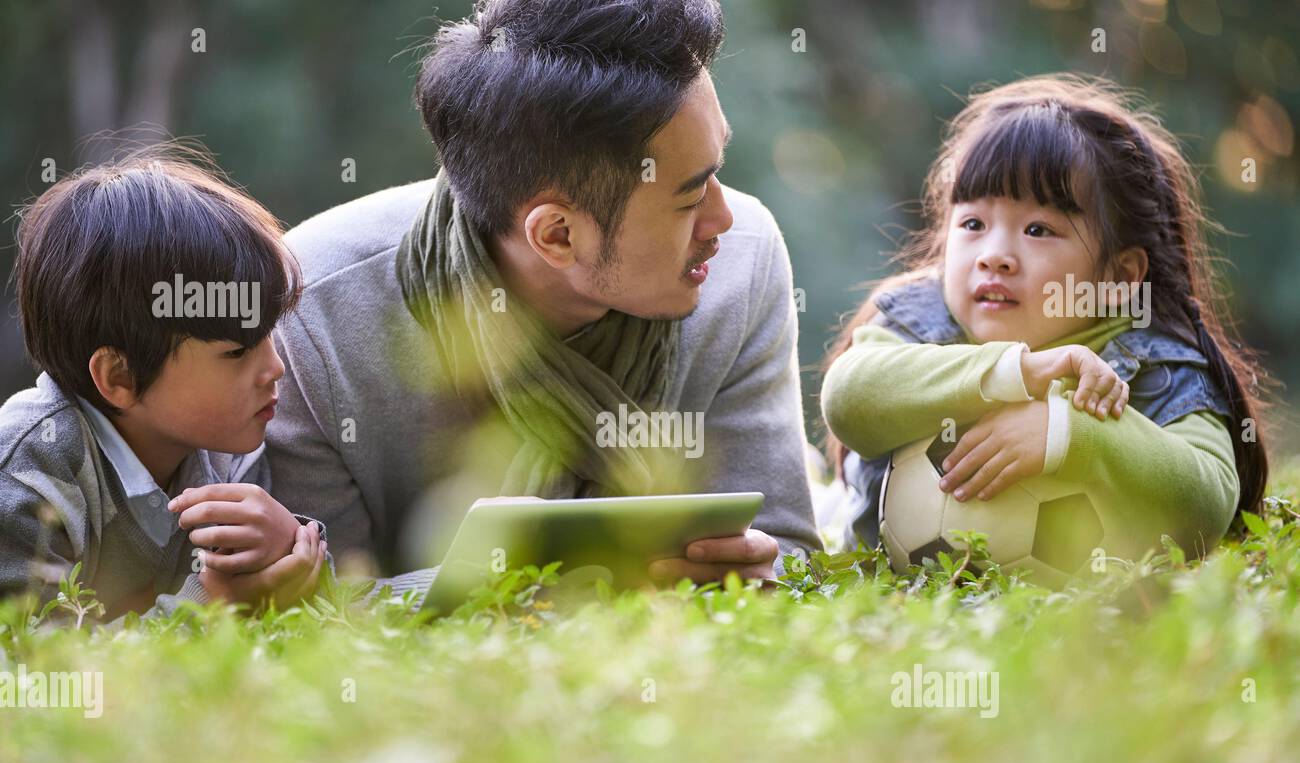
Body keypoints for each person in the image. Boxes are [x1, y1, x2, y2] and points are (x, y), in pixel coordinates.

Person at [266, 0, 820, 599]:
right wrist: (537, 589)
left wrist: (758, 570)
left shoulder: (742, 260)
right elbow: (305, 602)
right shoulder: (317, 312)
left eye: (717, 169)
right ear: (556, 235)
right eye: (689, 200)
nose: (723, 217)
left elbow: (786, 550)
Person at [821, 74, 1269, 563]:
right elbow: (848, 398)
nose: (995, 256)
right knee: (819, 503)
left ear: (1119, 276)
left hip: (1084, 627)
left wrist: (1071, 432)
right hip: (892, 601)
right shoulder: (921, 322)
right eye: (973, 224)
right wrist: (1016, 372)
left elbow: (1209, 502)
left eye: (1038, 229)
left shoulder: (1155, 364)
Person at [0, 149, 328, 624]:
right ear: (120, 377)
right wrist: (213, 604)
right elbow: (41, 678)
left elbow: (316, 626)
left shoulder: (219, 448)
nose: (275, 368)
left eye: (268, 338)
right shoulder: (26, 475)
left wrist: (289, 548)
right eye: (236, 352)